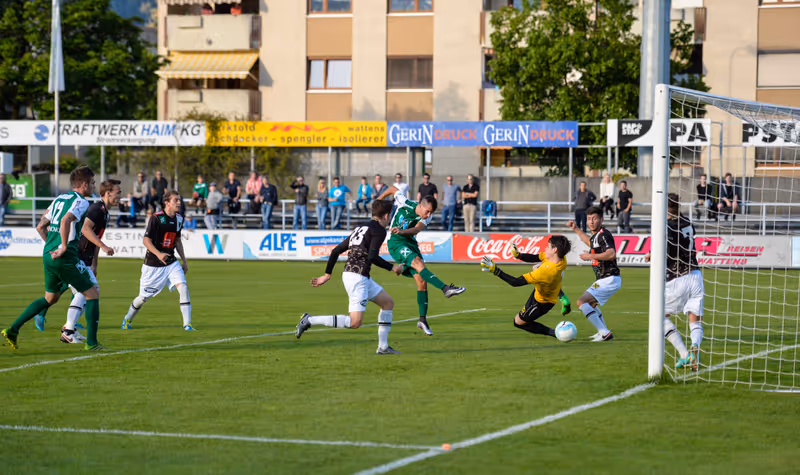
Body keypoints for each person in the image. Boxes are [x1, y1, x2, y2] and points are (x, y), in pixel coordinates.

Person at [2, 167, 109, 351]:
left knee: (50, 298)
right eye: (92, 183)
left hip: (48, 255)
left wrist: (53, 247)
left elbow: (40, 226)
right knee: (92, 293)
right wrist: (64, 247)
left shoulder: (59, 199)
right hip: (65, 257)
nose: (93, 186)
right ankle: (92, 343)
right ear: (84, 185)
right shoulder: (81, 201)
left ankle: (13, 329)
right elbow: (66, 221)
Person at [296, 200, 405, 355]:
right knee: (355, 322)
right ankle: (309, 320)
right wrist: (393, 267)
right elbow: (372, 257)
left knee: (387, 303)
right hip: (357, 278)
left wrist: (327, 274)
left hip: (357, 275)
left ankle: (383, 347)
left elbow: (335, 251)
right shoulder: (379, 230)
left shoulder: (360, 228)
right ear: (387, 216)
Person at [34, 179, 121, 341]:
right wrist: (103, 246)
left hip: (84, 257)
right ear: (108, 194)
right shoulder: (96, 209)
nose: (120, 196)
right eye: (118, 192)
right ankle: (68, 329)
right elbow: (85, 229)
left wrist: (95, 264)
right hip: (76, 254)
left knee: (72, 289)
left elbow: (95, 239)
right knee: (86, 290)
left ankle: (66, 324)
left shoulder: (104, 212)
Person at [377, 185, 466, 336]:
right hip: (396, 243)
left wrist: (402, 231)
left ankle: (422, 320)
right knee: (418, 263)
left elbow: (416, 229)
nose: (429, 215)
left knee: (421, 280)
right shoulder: (404, 202)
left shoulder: (427, 217)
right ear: (420, 205)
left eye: (431, 212)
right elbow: (392, 188)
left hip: (410, 243)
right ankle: (445, 289)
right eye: (427, 211)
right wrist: (379, 200)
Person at [645, 193, 704, 371]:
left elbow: (664, 250)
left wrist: (650, 255)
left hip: (678, 277)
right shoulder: (687, 222)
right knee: (695, 319)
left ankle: (684, 354)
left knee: (659, 316)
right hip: (695, 275)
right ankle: (695, 346)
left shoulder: (667, 226)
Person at [122, 191, 194, 331]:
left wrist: (184, 261)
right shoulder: (156, 218)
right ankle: (128, 318)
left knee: (183, 288)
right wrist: (158, 254)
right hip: (153, 264)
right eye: (176, 200)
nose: (179, 202)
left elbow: (177, 240)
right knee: (143, 298)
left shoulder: (179, 219)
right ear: (167, 202)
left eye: (179, 200)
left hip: (171, 262)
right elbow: (146, 240)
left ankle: (188, 325)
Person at [479, 236, 573, 339]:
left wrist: (496, 271)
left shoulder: (545, 272)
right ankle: (561, 303)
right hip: (544, 291)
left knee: (518, 322)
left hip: (541, 302)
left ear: (555, 250)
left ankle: (555, 333)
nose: (545, 248)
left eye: (548, 246)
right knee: (535, 267)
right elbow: (536, 257)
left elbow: (516, 282)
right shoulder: (561, 259)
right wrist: (519, 255)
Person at [567, 206, 620, 342]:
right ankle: (602, 331)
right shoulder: (597, 236)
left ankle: (604, 333)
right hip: (605, 278)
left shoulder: (604, 234)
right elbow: (589, 242)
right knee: (591, 304)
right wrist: (576, 228)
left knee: (581, 302)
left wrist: (590, 256)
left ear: (601, 220)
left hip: (609, 278)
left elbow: (611, 253)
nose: (591, 221)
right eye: (589, 219)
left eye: (594, 218)